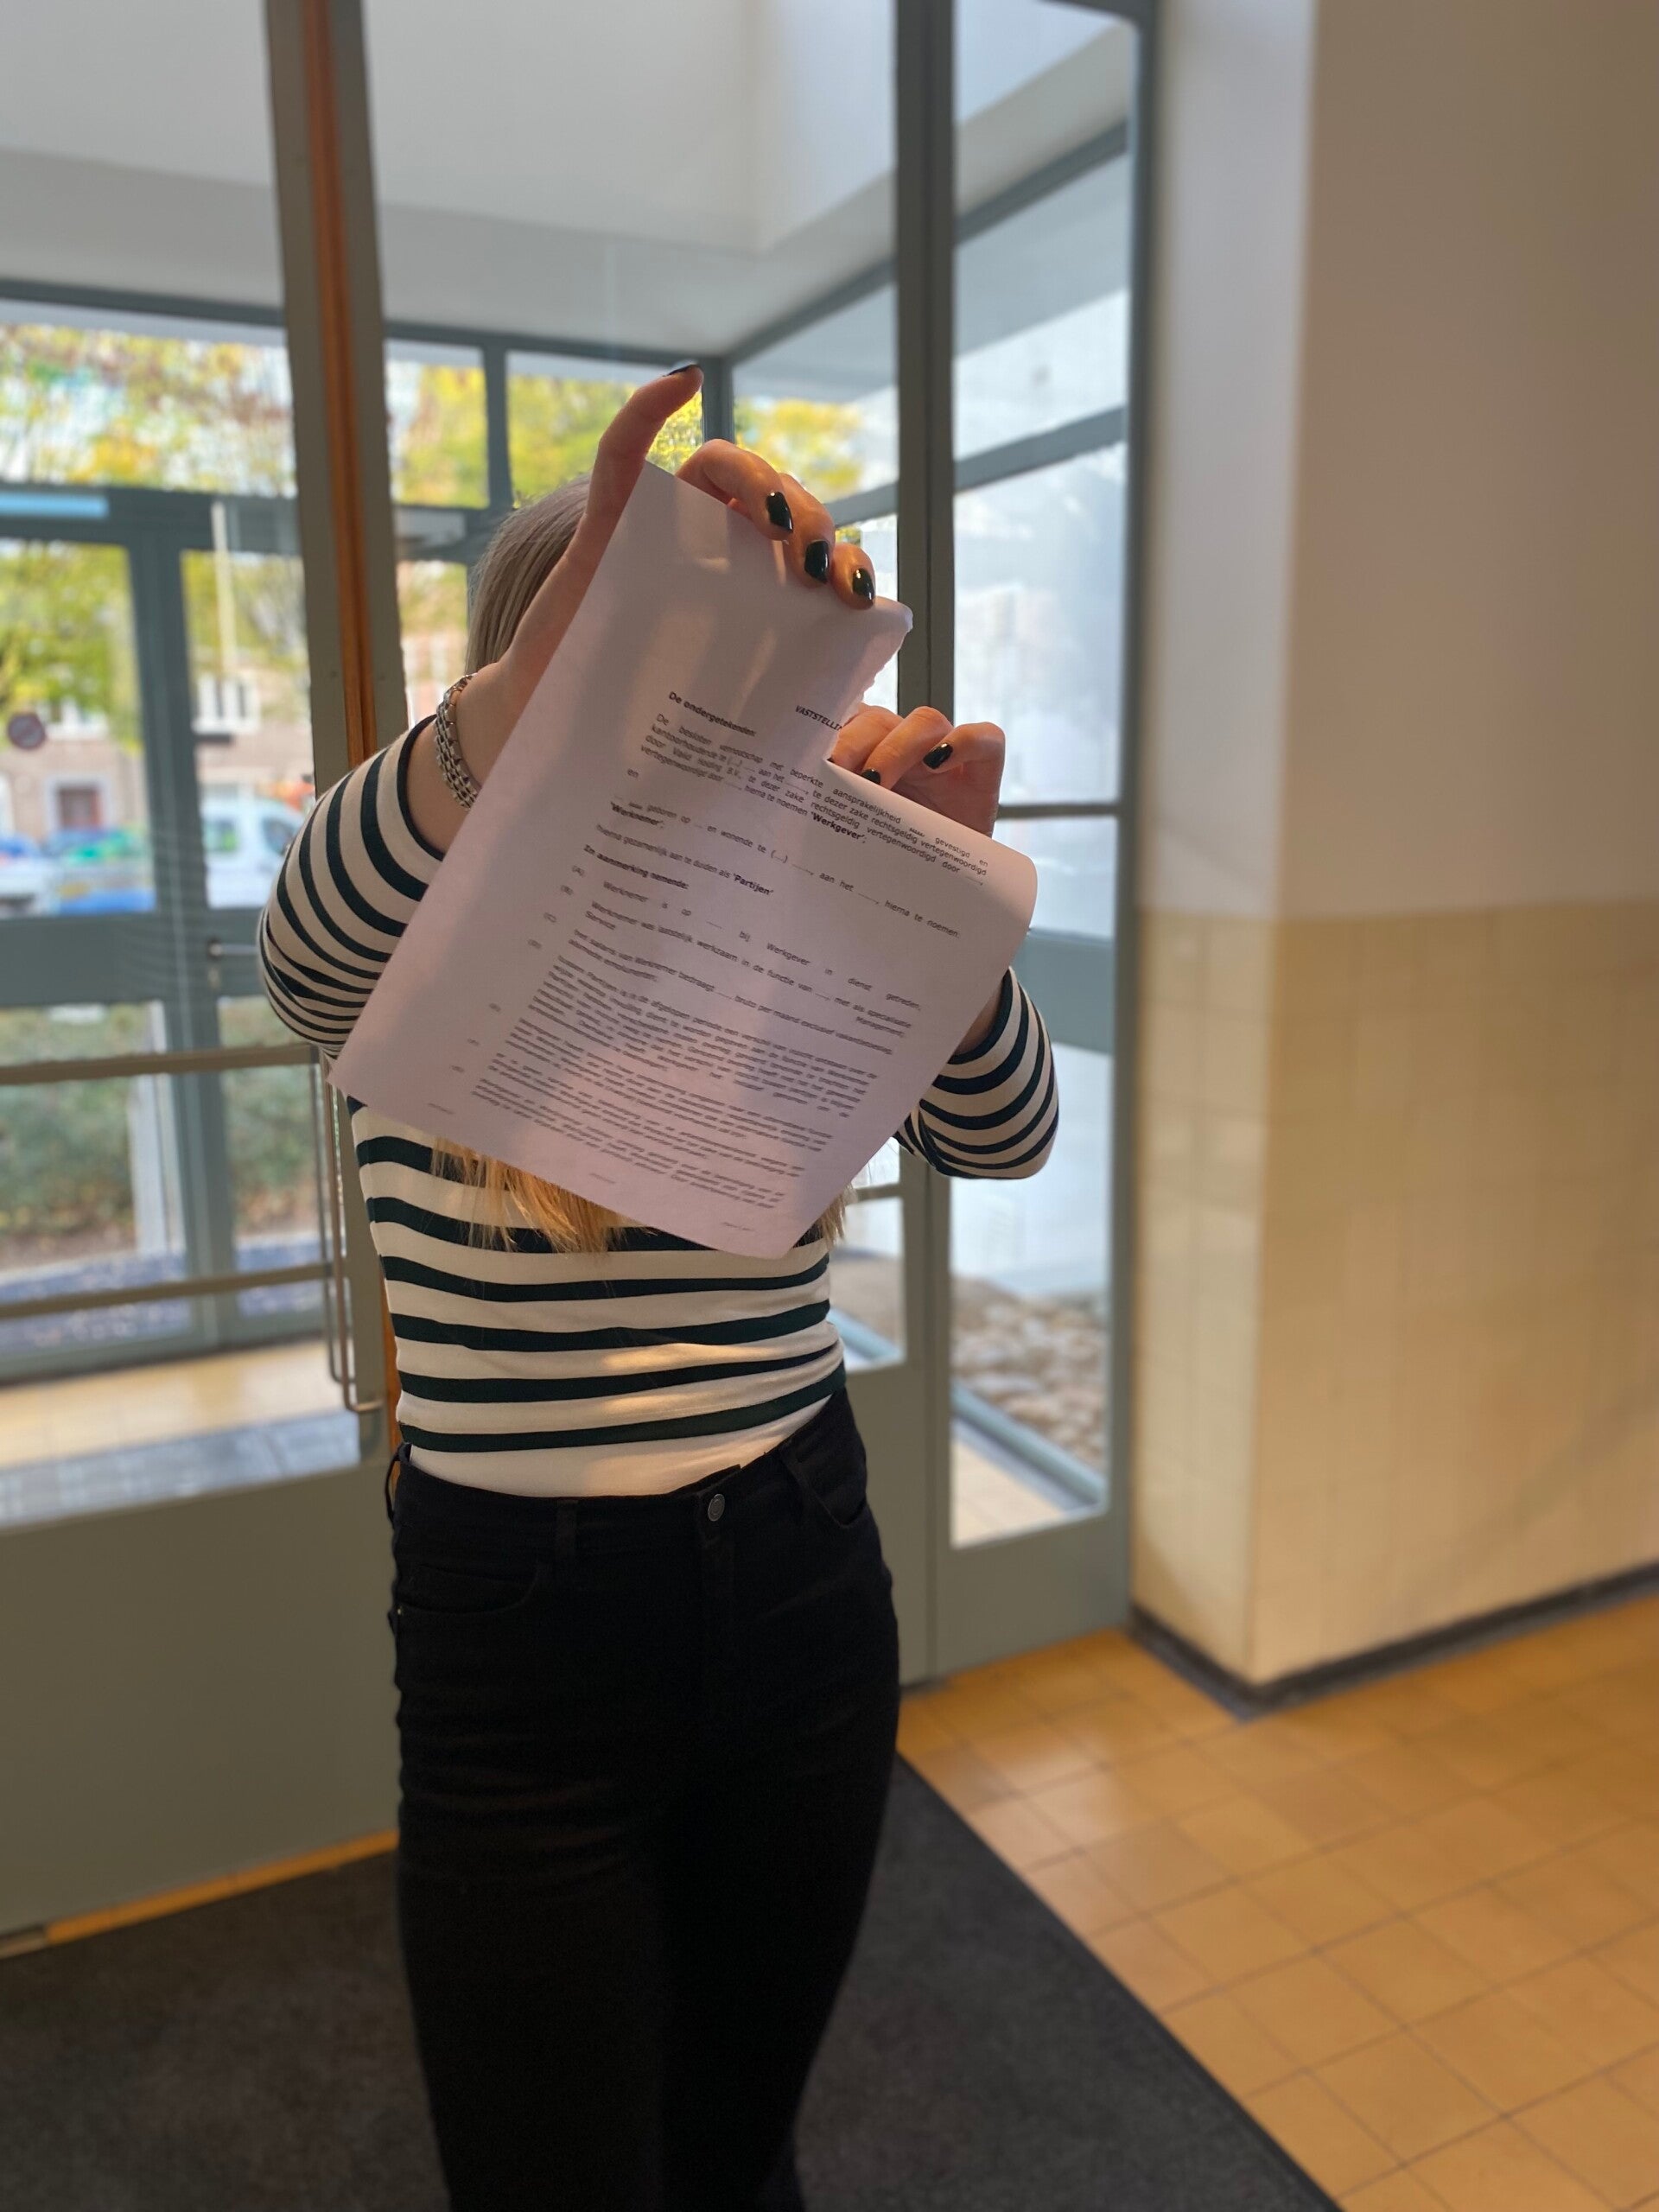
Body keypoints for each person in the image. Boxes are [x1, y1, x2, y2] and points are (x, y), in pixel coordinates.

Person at [257, 367, 1057, 2211]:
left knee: (740, 2144)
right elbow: (300, 965)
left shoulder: (777, 909)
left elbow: (1002, 1133)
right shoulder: (412, 910)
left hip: (800, 1564)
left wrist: (937, 899)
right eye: (627, 671)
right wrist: (538, 697)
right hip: (520, 1626)